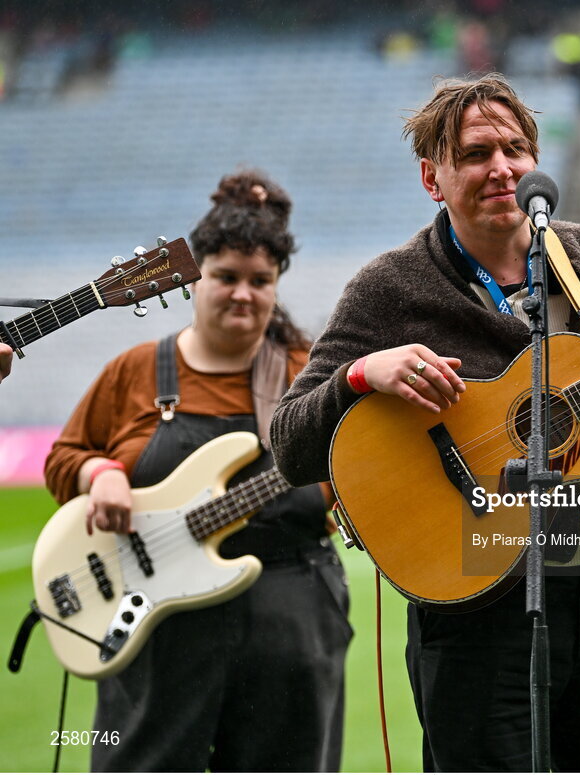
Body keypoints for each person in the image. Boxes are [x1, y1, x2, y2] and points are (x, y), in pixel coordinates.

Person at [271, 75, 580, 771]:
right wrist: (360, 376)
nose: (502, 167)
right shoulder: (389, 289)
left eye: (516, 149)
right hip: (473, 620)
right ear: (432, 177)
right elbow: (290, 443)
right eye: (477, 153)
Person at [44, 171, 351, 772]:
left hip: (290, 619)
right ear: (194, 279)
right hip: (157, 621)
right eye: (226, 277)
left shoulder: (310, 372)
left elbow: (354, 471)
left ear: (276, 286)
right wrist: (99, 473)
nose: (243, 293)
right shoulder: (135, 370)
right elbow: (64, 459)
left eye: (260, 281)